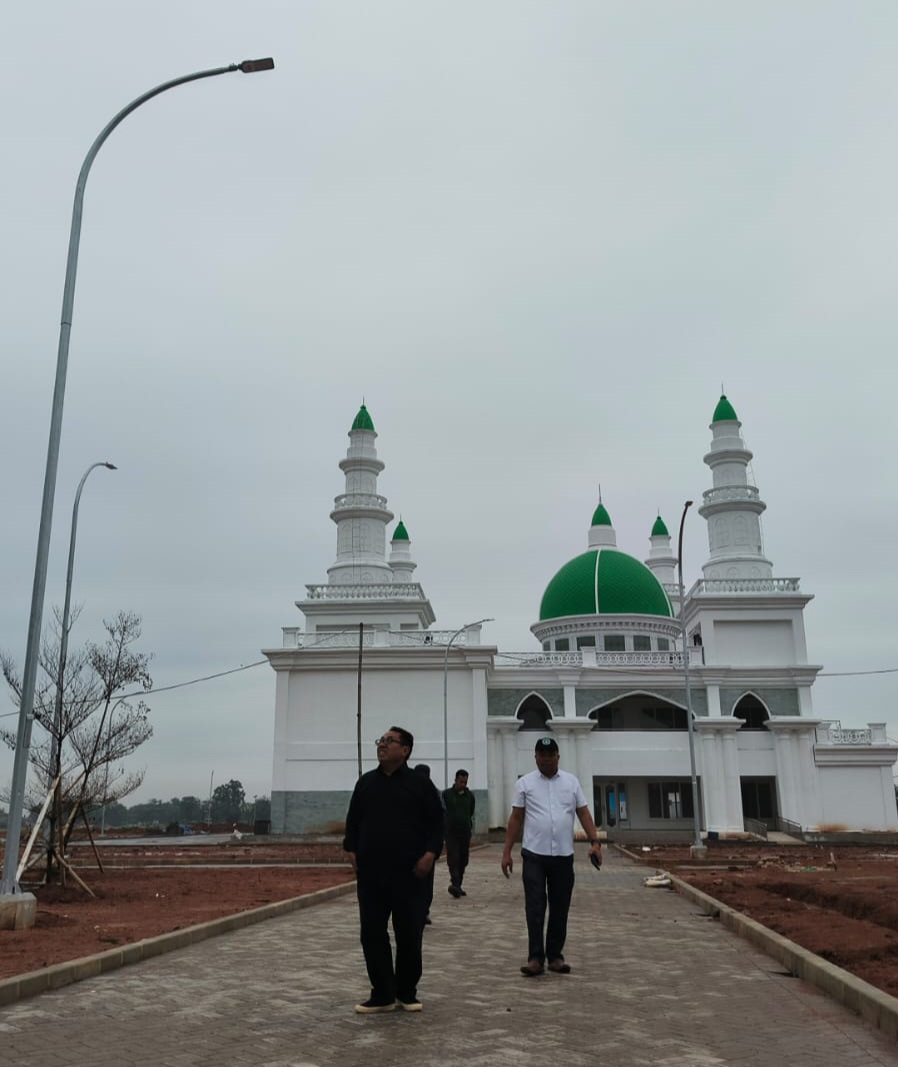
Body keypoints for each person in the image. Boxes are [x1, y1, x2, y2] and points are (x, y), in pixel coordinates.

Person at [343, 727, 444, 1013]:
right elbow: (353, 822)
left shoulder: (420, 785)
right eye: (381, 741)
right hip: (372, 875)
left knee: (409, 933)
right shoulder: (365, 783)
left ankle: (406, 992)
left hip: (410, 874)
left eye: (389, 741)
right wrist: (351, 850)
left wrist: (430, 855)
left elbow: (437, 825)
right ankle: (382, 994)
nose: (382, 746)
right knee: (372, 933)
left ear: (406, 750)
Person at [500, 735, 602, 976]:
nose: (546, 760)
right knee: (535, 907)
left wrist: (595, 842)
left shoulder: (571, 782)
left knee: (560, 907)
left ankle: (555, 956)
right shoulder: (525, 783)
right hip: (534, 855)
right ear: (535, 757)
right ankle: (535, 957)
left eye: (550, 755)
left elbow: (584, 813)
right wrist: (506, 852)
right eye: (541, 756)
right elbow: (516, 818)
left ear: (558, 756)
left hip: (563, 857)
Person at [412, 763, 441, 925]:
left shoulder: (434, 793)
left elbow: (439, 820)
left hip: (427, 847)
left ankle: (423, 911)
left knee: (426, 882)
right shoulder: (407, 790)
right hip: (411, 846)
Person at [443, 768, 475, 898]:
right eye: (461, 781)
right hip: (451, 832)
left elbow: (471, 811)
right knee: (453, 858)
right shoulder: (447, 794)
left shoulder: (469, 796)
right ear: (455, 780)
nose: (463, 784)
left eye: (465, 782)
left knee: (463, 859)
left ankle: (458, 885)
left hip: (465, 832)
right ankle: (455, 883)